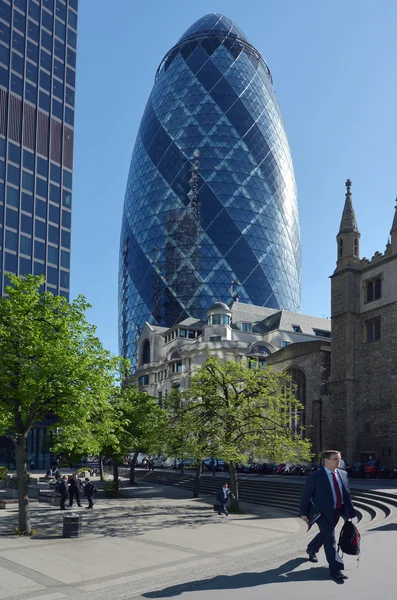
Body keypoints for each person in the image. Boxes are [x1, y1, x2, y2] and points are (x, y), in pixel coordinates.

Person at [299, 450, 356, 582]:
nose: (339, 461)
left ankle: (311, 548)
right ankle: (336, 569)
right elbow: (306, 496)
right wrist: (303, 512)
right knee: (330, 538)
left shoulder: (343, 474)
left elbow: (346, 493)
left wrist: (349, 511)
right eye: (335, 459)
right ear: (326, 461)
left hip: (338, 510)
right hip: (322, 513)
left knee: (325, 534)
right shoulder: (315, 476)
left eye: (339, 458)